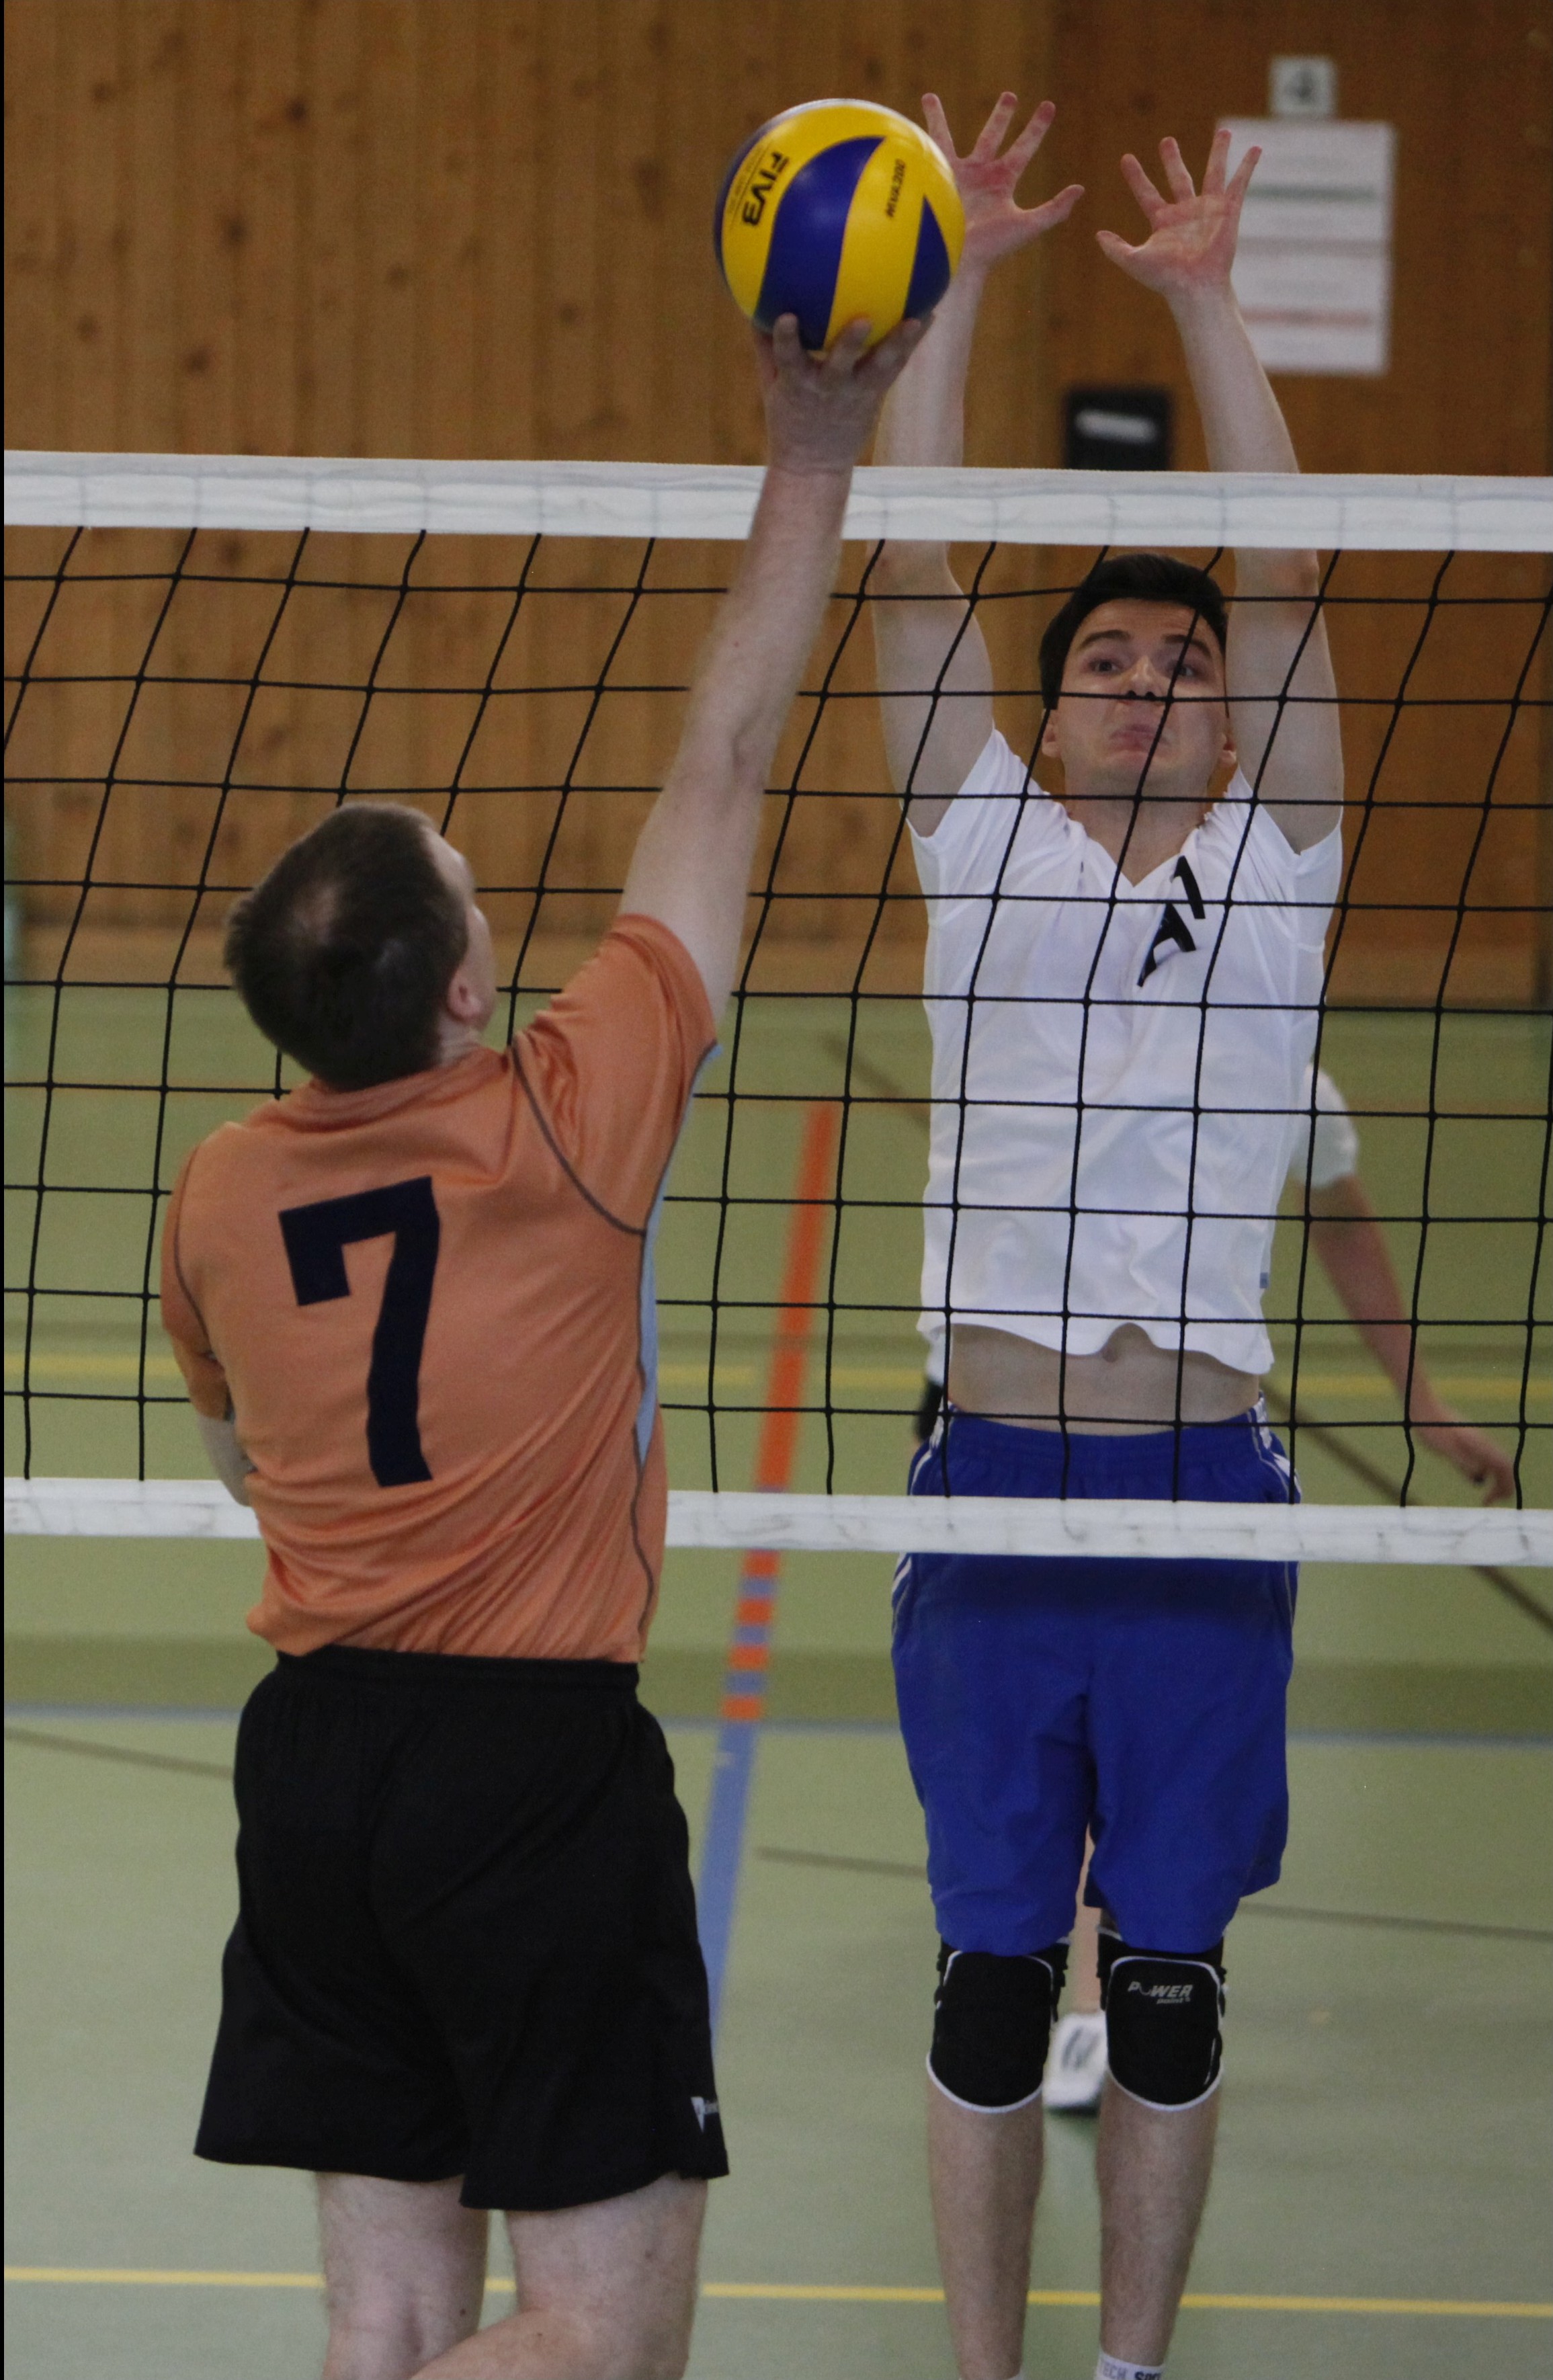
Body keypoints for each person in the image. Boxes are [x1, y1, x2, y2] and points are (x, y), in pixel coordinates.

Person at [160, 311, 919, 2380]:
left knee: (388, 2320)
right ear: (468, 999)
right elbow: (725, 762)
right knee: (597, 2332)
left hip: (314, 1763)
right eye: (478, 895)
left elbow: (243, 1461)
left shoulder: (218, 1190)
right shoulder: (571, 1121)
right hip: (526, 1773)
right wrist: (815, 443)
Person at [872, 95, 1345, 2380]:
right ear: (1048, 721)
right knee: (990, 1985)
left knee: (1162, 1987)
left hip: (1198, 1505)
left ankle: (1129, 2368)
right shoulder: (985, 849)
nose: (1151, 681)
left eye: (1185, 664)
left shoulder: (1279, 876)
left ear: (1231, 721)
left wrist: (1205, 305)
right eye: (1110, 664)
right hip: (994, 1492)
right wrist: (958, 282)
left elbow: (1301, 582)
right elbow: (913, 574)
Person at [1037, 1062, 1518, 2113]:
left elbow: (1340, 1214)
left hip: (1187, 1440)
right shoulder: (1055, 1030)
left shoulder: (1281, 1067)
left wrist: (1422, 1401)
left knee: (1151, 1725)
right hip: (1011, 1424)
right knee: (1055, 1738)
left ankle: (1112, 1996)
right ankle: (1072, 1997)